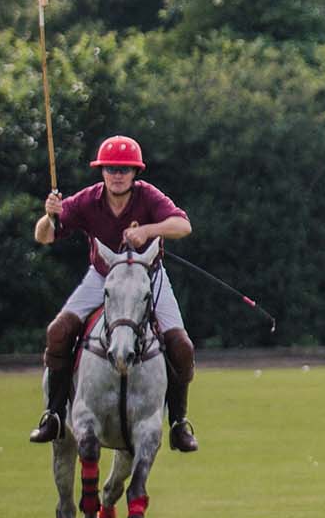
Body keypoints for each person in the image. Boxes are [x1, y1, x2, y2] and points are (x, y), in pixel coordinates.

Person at [30, 136, 200, 451]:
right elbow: (44, 236)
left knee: (182, 346)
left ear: (135, 173)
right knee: (58, 332)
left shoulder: (148, 196)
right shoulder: (88, 200)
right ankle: (53, 415)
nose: (117, 175)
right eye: (110, 168)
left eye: (124, 169)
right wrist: (48, 214)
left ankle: (178, 423)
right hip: (103, 277)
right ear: (102, 171)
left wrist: (148, 231)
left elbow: (183, 226)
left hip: (148, 278)